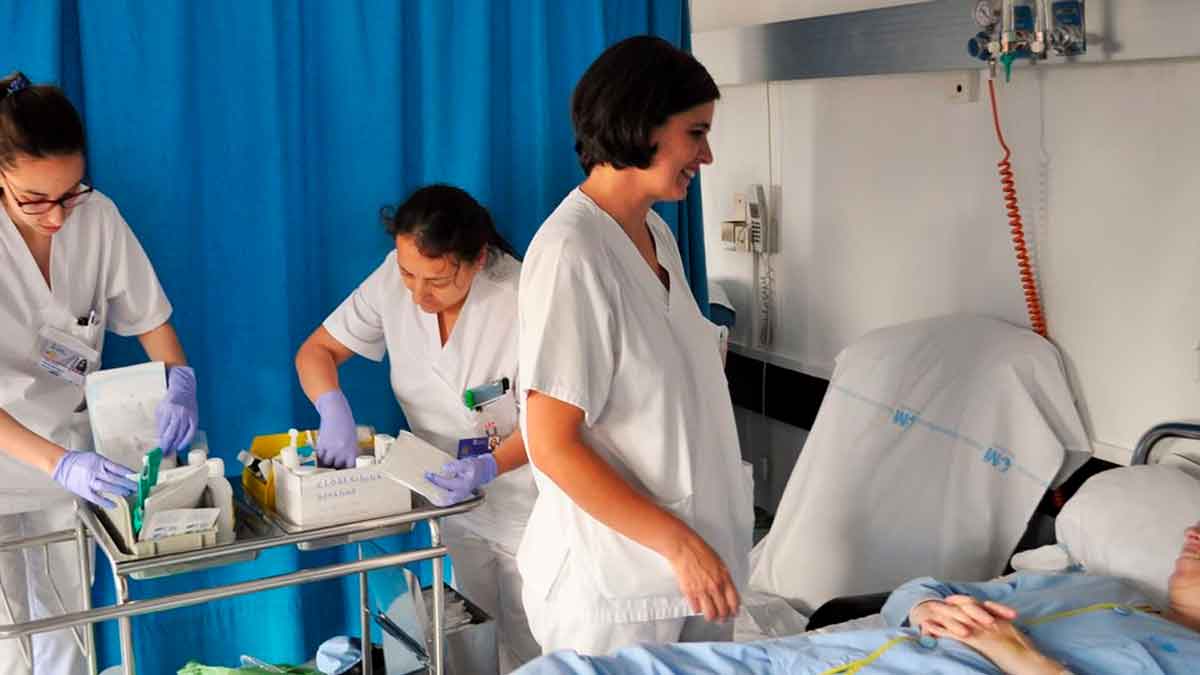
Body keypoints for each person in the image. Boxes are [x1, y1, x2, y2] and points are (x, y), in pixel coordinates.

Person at [516, 35, 752, 657]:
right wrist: (678, 543)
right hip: (615, 591)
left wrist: (695, 547)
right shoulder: (574, 252)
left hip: (687, 576)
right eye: (695, 133)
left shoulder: (655, 235)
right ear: (642, 123)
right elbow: (553, 446)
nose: (707, 154)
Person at [294, 184, 540, 672]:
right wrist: (332, 406)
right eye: (409, 273)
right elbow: (316, 352)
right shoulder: (394, 281)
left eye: (438, 280)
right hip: (455, 505)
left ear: (477, 259)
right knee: (476, 645)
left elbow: (557, 420)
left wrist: (489, 465)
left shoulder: (524, 297)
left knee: (536, 650)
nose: (419, 294)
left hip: (531, 507)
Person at [0, 71, 199, 674]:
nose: (57, 216)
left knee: (71, 628)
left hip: (67, 454)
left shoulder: (98, 217)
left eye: (69, 192)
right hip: (16, 454)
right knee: (9, 640)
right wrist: (60, 463)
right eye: (34, 200)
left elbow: (152, 319)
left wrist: (180, 382)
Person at [512, 522, 1200, 674]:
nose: (1193, 532)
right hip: (834, 654)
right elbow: (924, 590)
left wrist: (1014, 653)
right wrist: (923, 607)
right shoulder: (1095, 582)